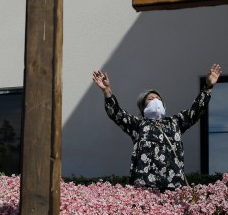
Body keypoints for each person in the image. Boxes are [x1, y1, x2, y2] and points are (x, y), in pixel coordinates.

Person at [91, 63, 221, 190]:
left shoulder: (175, 122)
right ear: (143, 106)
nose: (155, 100)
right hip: (145, 186)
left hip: (173, 185)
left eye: (158, 98)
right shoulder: (138, 125)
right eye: (151, 99)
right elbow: (117, 114)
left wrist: (208, 86)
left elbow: (196, 111)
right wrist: (106, 90)